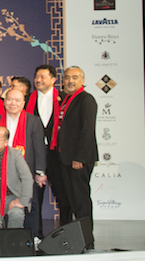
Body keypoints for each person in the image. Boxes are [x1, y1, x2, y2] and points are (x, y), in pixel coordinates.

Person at [0, 88, 46, 237]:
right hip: (1, 172)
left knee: (30, 205)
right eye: (9, 99)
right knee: (6, 205)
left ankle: (32, 237)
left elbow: (39, 147)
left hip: (27, 171)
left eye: (17, 100)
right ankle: (7, 239)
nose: (13, 103)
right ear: (4, 101)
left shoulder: (33, 121)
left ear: (23, 103)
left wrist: (40, 172)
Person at [46, 66, 97, 234]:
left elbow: (87, 131)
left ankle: (86, 237)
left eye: (74, 77)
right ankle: (72, 237)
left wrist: (80, 158)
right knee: (69, 200)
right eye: (67, 78)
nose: (70, 81)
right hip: (64, 158)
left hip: (78, 160)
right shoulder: (66, 99)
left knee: (80, 201)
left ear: (82, 80)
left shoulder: (86, 99)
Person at [26, 64, 60, 238]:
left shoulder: (63, 99)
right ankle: (36, 234)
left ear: (53, 79)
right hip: (35, 153)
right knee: (34, 196)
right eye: (36, 76)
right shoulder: (27, 100)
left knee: (62, 194)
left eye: (43, 77)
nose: (38, 80)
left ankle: (67, 234)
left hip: (58, 154)